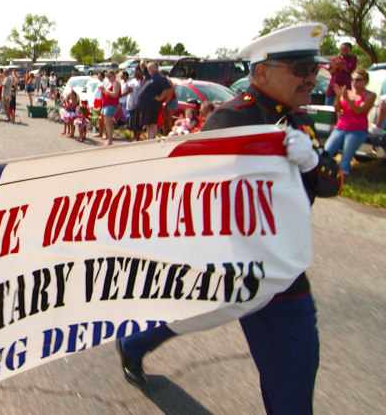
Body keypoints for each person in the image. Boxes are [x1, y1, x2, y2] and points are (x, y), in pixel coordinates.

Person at [115, 24, 342, 415]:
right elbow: (194, 194)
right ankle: (133, 343)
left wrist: (312, 161)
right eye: (300, 69)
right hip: (232, 264)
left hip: (283, 268)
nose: (310, 79)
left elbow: (332, 185)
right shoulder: (230, 120)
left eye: (313, 70)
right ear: (263, 73)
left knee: (295, 375)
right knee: (184, 315)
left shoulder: (299, 122)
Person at [324, 68, 376, 175]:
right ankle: (323, 172)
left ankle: (343, 177)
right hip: (340, 128)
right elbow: (337, 109)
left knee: (346, 156)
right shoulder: (347, 93)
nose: (354, 82)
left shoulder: (370, 95)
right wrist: (338, 97)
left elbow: (359, 110)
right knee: (326, 152)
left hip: (357, 130)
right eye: (353, 79)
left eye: (358, 79)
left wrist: (346, 99)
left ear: (365, 81)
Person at [136, 61, 173, 140]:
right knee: (148, 124)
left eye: (151, 67)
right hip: (145, 105)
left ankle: (151, 141)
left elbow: (169, 88)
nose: (149, 69)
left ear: (156, 68)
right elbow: (142, 65)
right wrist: (143, 59)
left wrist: (161, 97)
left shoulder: (160, 77)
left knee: (152, 124)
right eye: (148, 67)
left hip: (152, 105)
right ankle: (149, 140)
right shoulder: (149, 76)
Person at [325, 42, 357, 106]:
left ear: (350, 50)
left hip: (345, 88)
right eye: (342, 50)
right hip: (333, 88)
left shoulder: (352, 59)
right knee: (330, 108)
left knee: (343, 109)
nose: (344, 51)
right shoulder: (335, 59)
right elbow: (331, 72)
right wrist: (335, 66)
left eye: (346, 50)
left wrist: (341, 64)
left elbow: (350, 69)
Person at [99, 70, 121, 146]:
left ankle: (110, 140)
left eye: (110, 76)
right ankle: (109, 138)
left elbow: (115, 94)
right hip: (106, 104)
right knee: (107, 122)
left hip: (112, 104)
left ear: (114, 76)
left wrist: (106, 90)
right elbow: (105, 94)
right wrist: (102, 91)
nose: (109, 78)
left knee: (108, 122)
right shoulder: (108, 83)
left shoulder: (116, 83)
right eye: (107, 76)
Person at [126, 66, 145, 141]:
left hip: (138, 104)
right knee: (132, 122)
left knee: (137, 122)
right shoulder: (132, 81)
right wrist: (128, 89)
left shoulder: (142, 80)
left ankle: (137, 137)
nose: (135, 73)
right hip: (131, 102)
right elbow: (128, 91)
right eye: (135, 72)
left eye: (137, 72)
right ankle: (134, 137)